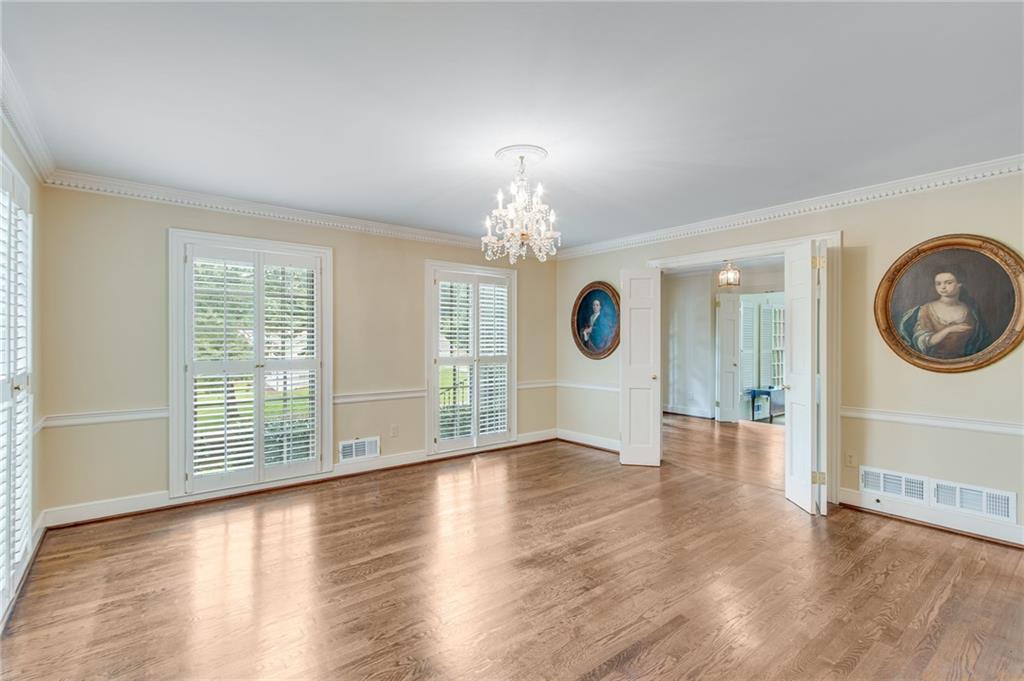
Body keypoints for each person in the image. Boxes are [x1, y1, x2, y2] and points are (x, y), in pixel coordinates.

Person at [898, 264, 990, 359]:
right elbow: (922, 341)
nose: (943, 287)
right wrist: (948, 330)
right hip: (932, 362)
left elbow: (980, 342)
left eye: (948, 283)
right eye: (938, 283)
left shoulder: (971, 312)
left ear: (959, 283)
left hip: (966, 361)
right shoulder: (925, 310)